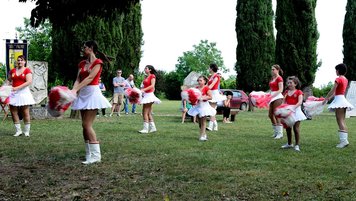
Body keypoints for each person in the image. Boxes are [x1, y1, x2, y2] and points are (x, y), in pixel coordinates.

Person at [71, 40, 112, 164]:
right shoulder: (82, 63)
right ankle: (89, 154)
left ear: (91, 48)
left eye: (84, 47)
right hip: (82, 94)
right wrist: (73, 90)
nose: (83, 49)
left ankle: (96, 156)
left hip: (92, 94)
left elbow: (89, 78)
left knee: (86, 125)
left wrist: (75, 90)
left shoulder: (98, 62)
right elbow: (78, 78)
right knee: (84, 125)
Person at [322, 63, 354, 148]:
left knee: (339, 120)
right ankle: (344, 140)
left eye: (336, 70)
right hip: (342, 99)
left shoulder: (338, 79)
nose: (335, 71)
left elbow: (333, 90)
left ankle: (344, 141)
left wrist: (326, 98)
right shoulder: (345, 79)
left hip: (339, 101)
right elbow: (338, 92)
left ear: (338, 70)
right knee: (342, 120)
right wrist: (329, 98)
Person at [7, 55, 36, 137]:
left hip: (23, 93)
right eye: (18, 60)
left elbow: (29, 81)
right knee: (13, 112)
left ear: (24, 62)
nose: (19, 62)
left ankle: (26, 132)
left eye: (21, 60)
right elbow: (9, 81)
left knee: (25, 111)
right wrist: (4, 88)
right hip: (13, 93)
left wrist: (17, 88)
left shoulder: (27, 70)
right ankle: (18, 131)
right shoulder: (12, 71)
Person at [281, 76, 306, 152]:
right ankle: (289, 143)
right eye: (288, 83)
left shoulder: (299, 92)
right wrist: (282, 108)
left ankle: (297, 145)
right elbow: (283, 102)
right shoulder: (286, 92)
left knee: (296, 128)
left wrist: (293, 108)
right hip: (288, 111)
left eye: (291, 83)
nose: (289, 84)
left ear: (295, 83)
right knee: (288, 128)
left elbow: (299, 102)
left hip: (296, 111)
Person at [188, 76, 216, 141]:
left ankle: (201, 136)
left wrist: (203, 97)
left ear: (205, 81)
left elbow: (210, 97)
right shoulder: (196, 88)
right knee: (200, 122)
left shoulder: (207, 88)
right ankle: (204, 134)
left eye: (201, 80)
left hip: (204, 107)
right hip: (197, 106)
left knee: (203, 121)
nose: (199, 82)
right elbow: (193, 96)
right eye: (198, 80)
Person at [139, 65, 161, 133]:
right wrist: (141, 92)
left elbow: (152, 86)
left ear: (150, 70)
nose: (144, 69)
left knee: (145, 112)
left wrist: (143, 90)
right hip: (146, 95)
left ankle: (145, 129)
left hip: (149, 96)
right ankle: (153, 128)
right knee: (148, 113)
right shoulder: (146, 77)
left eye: (146, 68)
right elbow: (143, 86)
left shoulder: (152, 76)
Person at [206, 63, 226, 131]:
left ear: (212, 68)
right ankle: (215, 126)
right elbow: (207, 85)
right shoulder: (210, 76)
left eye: (209, 67)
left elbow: (212, 85)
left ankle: (210, 126)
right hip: (210, 93)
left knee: (212, 110)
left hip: (214, 94)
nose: (208, 69)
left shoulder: (217, 76)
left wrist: (204, 89)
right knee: (212, 110)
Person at [269, 64, 284, 139]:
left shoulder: (279, 78)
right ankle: (276, 132)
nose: (272, 71)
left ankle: (280, 133)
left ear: (277, 70)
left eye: (273, 69)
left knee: (277, 115)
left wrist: (273, 95)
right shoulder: (272, 78)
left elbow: (281, 89)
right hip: (271, 97)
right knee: (270, 115)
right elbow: (271, 89)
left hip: (277, 97)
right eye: (271, 69)